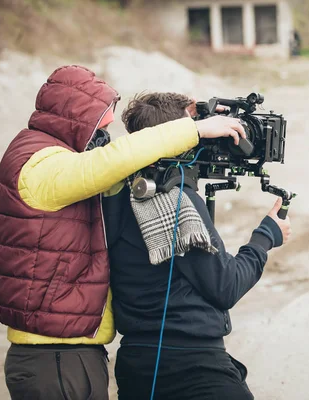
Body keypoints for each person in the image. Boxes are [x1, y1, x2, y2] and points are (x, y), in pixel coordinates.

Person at [0, 65, 246, 400]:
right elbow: (110, 162)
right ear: (75, 118)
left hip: (66, 350)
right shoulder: (41, 165)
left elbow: (121, 167)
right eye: (101, 122)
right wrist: (194, 130)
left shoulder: (49, 156)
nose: (107, 132)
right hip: (55, 357)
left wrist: (200, 117)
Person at [104, 92, 291, 400]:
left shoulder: (118, 192)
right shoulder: (175, 202)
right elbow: (225, 286)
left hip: (136, 362)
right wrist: (266, 235)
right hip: (191, 366)